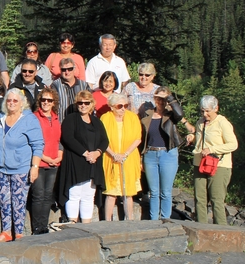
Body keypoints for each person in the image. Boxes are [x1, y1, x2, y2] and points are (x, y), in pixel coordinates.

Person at [0, 89, 44, 242]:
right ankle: (6, 231)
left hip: (21, 168)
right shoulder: (1, 117)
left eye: (15, 100)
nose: (11, 103)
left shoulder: (29, 119)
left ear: (22, 103)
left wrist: (35, 167)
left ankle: (19, 233)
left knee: (18, 202)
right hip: (1, 167)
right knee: (4, 201)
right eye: (9, 100)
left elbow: (38, 145)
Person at [141, 87, 195, 220]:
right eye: (158, 98)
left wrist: (169, 98)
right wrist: (140, 157)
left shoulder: (171, 115)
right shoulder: (147, 114)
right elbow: (141, 137)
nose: (160, 101)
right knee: (153, 192)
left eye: (163, 99)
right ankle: (153, 221)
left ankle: (166, 219)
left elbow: (180, 114)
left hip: (168, 154)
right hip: (150, 154)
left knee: (165, 192)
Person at [59, 91, 109, 223]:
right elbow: (68, 138)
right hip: (76, 161)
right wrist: (86, 153)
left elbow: (105, 140)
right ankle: (72, 224)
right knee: (74, 194)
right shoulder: (71, 119)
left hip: (93, 163)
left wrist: (96, 153)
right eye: (80, 103)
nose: (83, 105)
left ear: (91, 104)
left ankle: (87, 226)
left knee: (89, 195)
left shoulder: (97, 121)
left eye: (86, 103)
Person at [192, 95, 238, 225]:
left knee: (216, 199)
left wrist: (212, 149)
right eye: (202, 111)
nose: (204, 114)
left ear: (216, 108)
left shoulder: (223, 123)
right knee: (199, 198)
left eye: (207, 111)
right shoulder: (200, 122)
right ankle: (201, 228)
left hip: (220, 166)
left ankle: (221, 231)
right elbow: (201, 141)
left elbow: (233, 144)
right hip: (200, 164)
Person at [100, 93, 142, 221]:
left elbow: (137, 138)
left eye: (126, 105)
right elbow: (102, 140)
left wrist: (125, 154)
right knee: (111, 192)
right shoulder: (105, 118)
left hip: (129, 158)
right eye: (120, 106)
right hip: (110, 158)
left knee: (128, 192)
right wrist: (113, 154)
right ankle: (108, 221)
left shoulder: (133, 117)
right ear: (112, 107)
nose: (123, 108)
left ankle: (130, 220)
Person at [32, 87, 63, 235]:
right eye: (43, 99)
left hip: (54, 162)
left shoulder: (56, 118)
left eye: (49, 100)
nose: (46, 102)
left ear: (53, 102)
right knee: (38, 195)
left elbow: (59, 140)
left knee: (47, 195)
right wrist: (44, 157)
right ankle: (36, 227)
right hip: (40, 161)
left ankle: (43, 225)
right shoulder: (34, 117)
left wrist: (60, 155)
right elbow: (32, 141)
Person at [51, 57, 90, 122]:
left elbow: (91, 104)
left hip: (81, 123)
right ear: (60, 70)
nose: (67, 72)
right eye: (64, 70)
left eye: (70, 69)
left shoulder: (84, 85)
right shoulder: (55, 85)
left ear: (74, 69)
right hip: (62, 122)